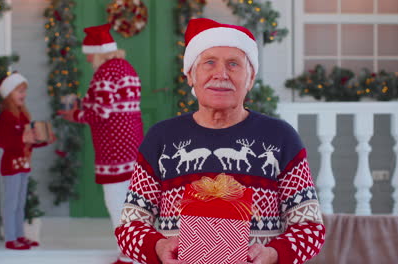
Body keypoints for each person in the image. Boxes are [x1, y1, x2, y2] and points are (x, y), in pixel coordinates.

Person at [114, 18, 325, 264]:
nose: (221, 74)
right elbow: (130, 226)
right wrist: (159, 247)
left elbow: (310, 228)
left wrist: (272, 254)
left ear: (251, 77)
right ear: (191, 75)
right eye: (209, 63)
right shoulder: (161, 139)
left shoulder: (281, 138)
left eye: (233, 64)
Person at [58, 23, 143, 264]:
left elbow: (101, 112)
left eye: (88, 55)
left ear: (97, 52)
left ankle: (128, 256)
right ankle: (136, 251)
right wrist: (86, 103)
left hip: (114, 148)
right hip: (133, 144)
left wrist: (74, 115)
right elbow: (112, 104)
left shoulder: (105, 72)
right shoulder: (126, 67)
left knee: (116, 201)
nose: (87, 60)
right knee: (132, 201)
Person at [0, 72, 54, 250]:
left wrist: (43, 139)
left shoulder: (23, 115)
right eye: (19, 91)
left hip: (24, 165)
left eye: (24, 91)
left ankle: (20, 235)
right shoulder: (6, 116)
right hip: (11, 166)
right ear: (8, 94)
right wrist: (23, 139)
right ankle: (10, 238)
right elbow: (2, 141)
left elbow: (29, 143)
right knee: (11, 203)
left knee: (20, 203)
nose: (23, 95)